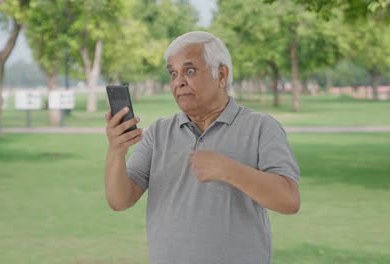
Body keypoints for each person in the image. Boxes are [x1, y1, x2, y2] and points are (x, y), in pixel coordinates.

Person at [105, 31, 300, 264]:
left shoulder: (261, 127)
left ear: (221, 74)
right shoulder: (159, 133)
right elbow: (120, 200)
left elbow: (289, 200)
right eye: (173, 73)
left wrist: (228, 169)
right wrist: (116, 152)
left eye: (190, 71)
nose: (179, 81)